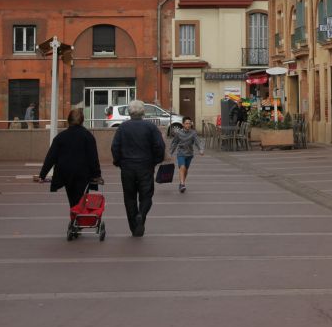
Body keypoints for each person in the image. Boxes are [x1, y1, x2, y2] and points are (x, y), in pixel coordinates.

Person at [111, 99, 165, 237]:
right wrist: (155, 161)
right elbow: (159, 146)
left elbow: (115, 147)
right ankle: (141, 214)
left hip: (127, 167)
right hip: (145, 166)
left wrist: (118, 162)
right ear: (143, 112)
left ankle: (134, 227)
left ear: (129, 112)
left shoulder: (123, 127)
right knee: (146, 195)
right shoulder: (150, 127)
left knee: (129, 197)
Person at [33, 108, 102, 208]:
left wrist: (42, 175)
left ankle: (74, 216)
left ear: (68, 121)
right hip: (83, 174)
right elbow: (93, 158)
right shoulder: (88, 136)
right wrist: (97, 175)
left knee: (72, 200)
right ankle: (79, 218)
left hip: (66, 174)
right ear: (82, 121)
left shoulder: (61, 137)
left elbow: (51, 157)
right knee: (81, 198)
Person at [169, 117, 204, 193]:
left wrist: (201, 149)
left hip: (189, 154)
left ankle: (182, 183)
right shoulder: (178, 133)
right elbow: (174, 143)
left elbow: (198, 142)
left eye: (189, 123)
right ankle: (182, 184)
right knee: (182, 167)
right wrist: (170, 153)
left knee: (186, 170)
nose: (188, 125)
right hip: (181, 153)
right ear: (183, 124)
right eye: (186, 123)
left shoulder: (193, 133)